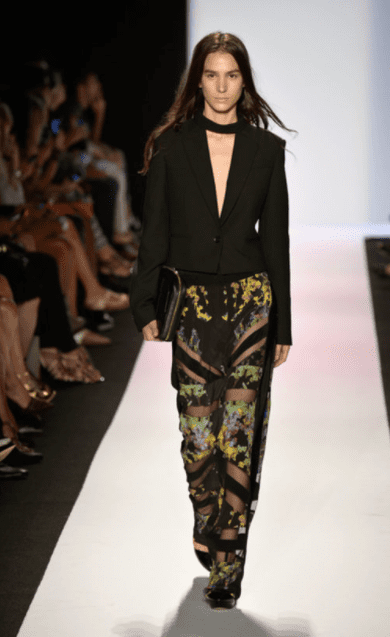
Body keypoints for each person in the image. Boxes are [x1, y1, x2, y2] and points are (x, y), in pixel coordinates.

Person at [130, 32, 293, 610]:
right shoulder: (170, 146)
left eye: (232, 75)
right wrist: (143, 304)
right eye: (211, 75)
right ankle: (207, 513)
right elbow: (155, 230)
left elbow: (276, 240)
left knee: (239, 435)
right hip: (194, 307)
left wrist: (284, 324)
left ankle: (228, 561)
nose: (222, 86)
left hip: (251, 303)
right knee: (199, 439)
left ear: (244, 82)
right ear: (197, 80)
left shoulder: (266, 149)